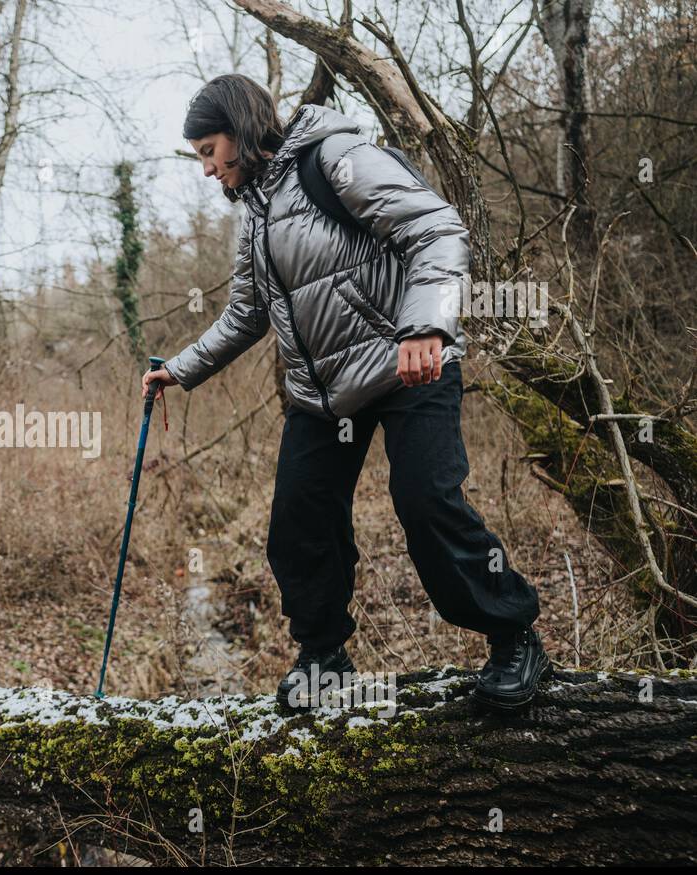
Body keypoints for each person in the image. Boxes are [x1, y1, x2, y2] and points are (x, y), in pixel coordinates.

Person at [143, 74, 547, 713]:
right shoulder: (255, 213)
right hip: (325, 394)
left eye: (207, 151)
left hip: (409, 363)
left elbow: (438, 229)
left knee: (425, 502)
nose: (205, 168)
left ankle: (512, 635)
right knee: (297, 522)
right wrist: (181, 368)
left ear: (240, 133)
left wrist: (425, 326)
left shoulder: (336, 158)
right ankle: (323, 657)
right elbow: (247, 315)